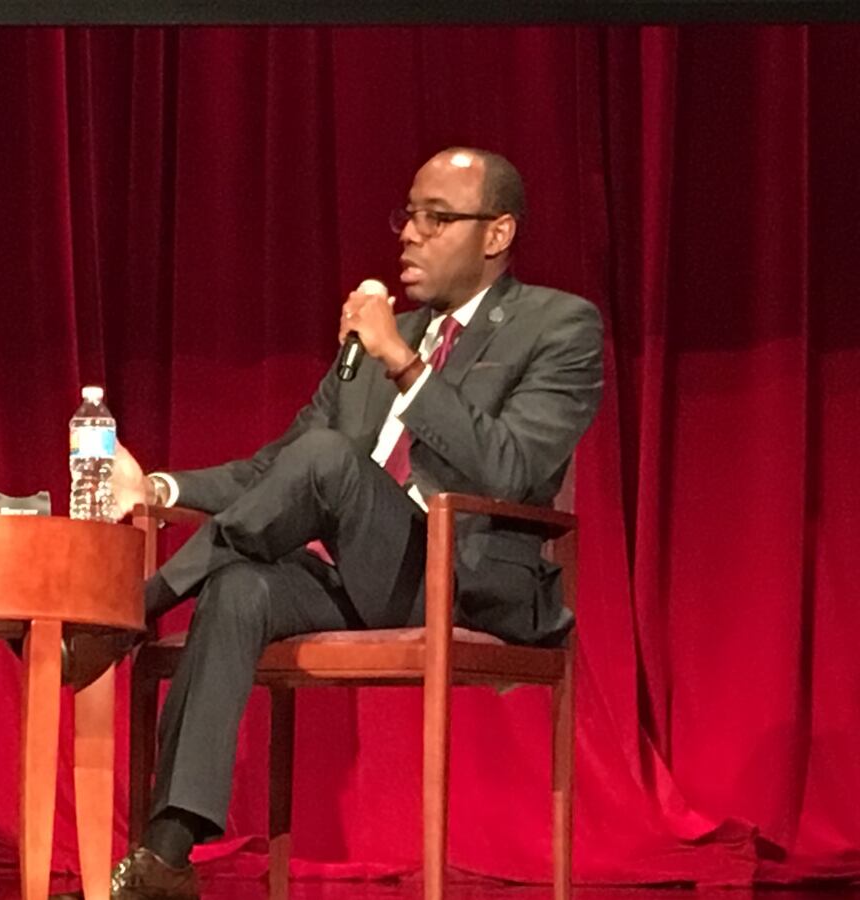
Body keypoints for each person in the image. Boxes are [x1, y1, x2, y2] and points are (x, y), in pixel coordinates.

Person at [64, 148, 604, 899]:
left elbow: (511, 467)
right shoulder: (384, 338)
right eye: (407, 215)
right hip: (363, 570)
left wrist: (403, 364)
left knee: (329, 460)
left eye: (436, 218)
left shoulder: (558, 325)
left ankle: (135, 608)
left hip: (465, 576)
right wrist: (159, 484)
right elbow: (277, 471)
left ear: (497, 233)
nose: (409, 235)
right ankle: (167, 859)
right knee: (242, 588)